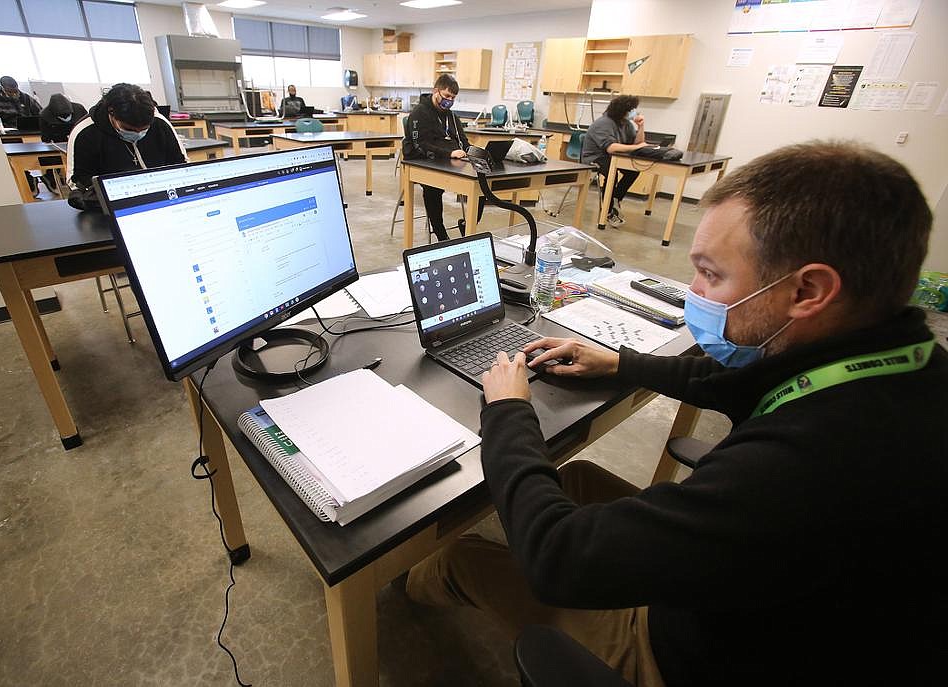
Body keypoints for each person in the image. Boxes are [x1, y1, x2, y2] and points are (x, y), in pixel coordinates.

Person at [406, 141, 945, 686]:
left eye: (711, 274)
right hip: (785, 604)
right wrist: (620, 363)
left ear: (808, 289)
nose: (694, 291)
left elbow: (557, 560)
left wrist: (507, 411)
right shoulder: (899, 364)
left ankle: (392, 596)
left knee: (463, 556)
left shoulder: (816, 462)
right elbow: (742, 383)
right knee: (578, 479)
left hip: (694, 654)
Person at [403, 74, 485, 242]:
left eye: (453, 98)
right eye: (447, 96)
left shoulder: (452, 117)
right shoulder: (420, 113)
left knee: (482, 181)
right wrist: (448, 153)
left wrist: (477, 154)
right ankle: (441, 235)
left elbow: (464, 142)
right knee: (432, 189)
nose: (449, 101)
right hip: (423, 161)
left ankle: (468, 224)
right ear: (436, 91)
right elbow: (421, 144)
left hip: (450, 161)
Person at [67, 83, 186, 192]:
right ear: (111, 112)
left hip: (162, 194)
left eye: (144, 129)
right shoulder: (85, 132)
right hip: (110, 202)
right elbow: (77, 183)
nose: (138, 133)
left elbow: (182, 165)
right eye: (129, 129)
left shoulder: (160, 123)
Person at [581, 94, 649, 227]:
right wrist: (636, 147)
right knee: (612, 172)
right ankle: (608, 210)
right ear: (623, 110)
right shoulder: (603, 123)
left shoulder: (626, 124)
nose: (634, 112)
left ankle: (615, 199)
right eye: (632, 109)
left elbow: (638, 142)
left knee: (633, 170)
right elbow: (610, 148)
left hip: (614, 158)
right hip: (595, 157)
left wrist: (641, 127)